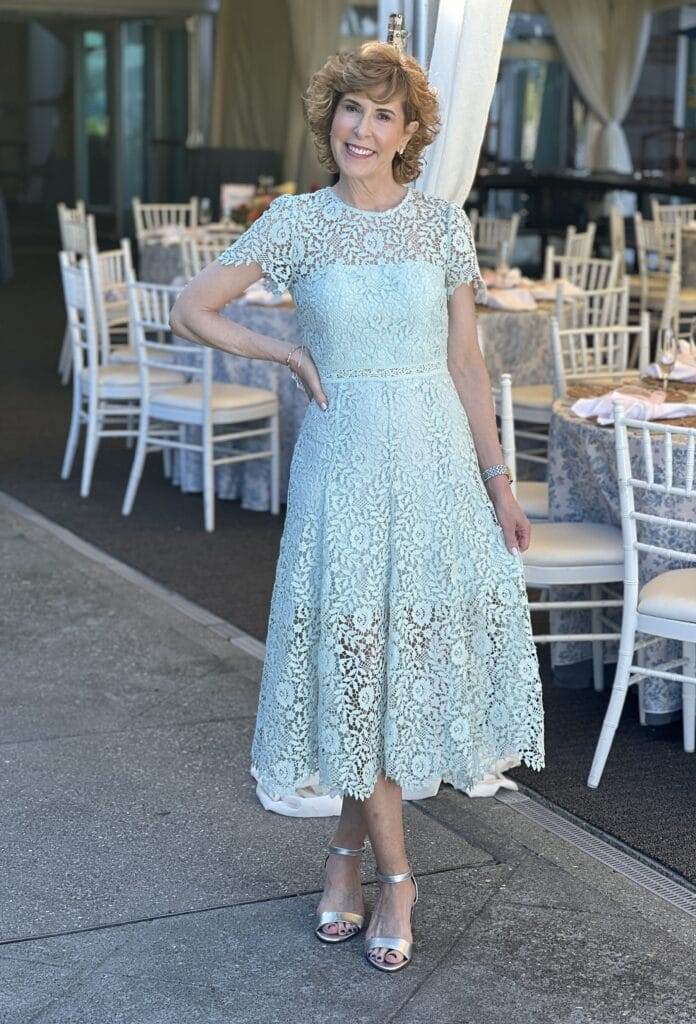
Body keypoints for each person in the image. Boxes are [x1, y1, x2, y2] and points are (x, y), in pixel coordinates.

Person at [170, 40, 544, 974]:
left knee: (387, 670)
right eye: (349, 109)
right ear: (328, 118)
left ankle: (341, 857)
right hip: (342, 466)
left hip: (432, 466)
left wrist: (498, 482)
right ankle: (397, 874)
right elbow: (194, 307)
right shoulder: (296, 223)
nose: (362, 128)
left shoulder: (440, 225)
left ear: (409, 131)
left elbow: (467, 361)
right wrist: (286, 356)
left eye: (383, 114)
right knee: (354, 664)